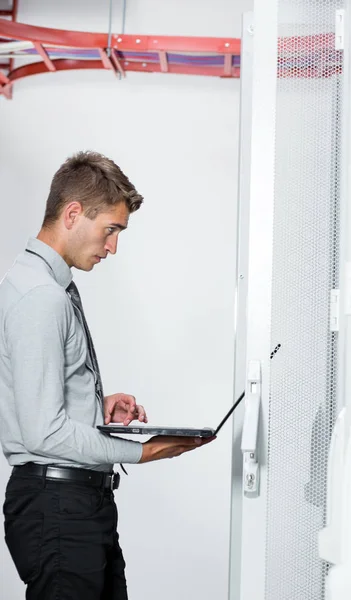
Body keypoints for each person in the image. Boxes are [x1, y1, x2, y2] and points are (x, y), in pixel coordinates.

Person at [0, 151, 214, 600]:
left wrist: (95, 407)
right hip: (57, 508)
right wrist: (142, 452)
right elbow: (42, 433)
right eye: (111, 230)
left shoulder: (44, 284)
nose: (112, 247)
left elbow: (33, 399)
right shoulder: (42, 296)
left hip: (71, 504)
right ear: (73, 213)